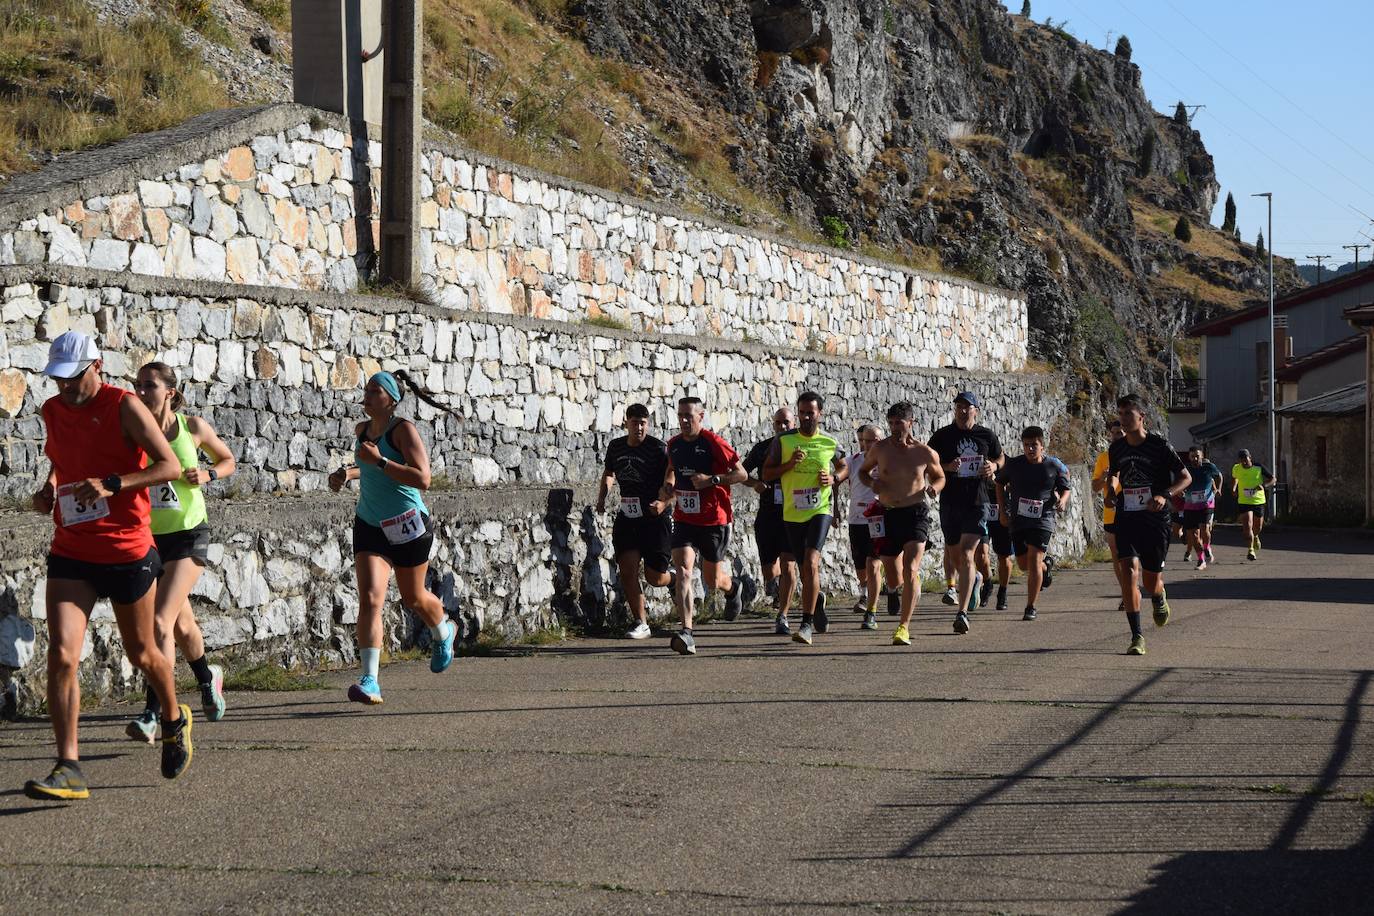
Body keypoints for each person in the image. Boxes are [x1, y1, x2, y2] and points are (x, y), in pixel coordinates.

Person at [25, 331, 192, 800]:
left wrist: (114, 484)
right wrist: (49, 486)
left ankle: (174, 719)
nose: (65, 388)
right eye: (57, 380)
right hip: (72, 547)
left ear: (96, 365)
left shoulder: (125, 406)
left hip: (126, 550)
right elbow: (62, 461)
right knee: (61, 655)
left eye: (73, 378)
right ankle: (68, 766)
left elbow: (169, 467)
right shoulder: (53, 410)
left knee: (143, 655)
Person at [328, 371, 458, 704]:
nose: (367, 395)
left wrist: (381, 460)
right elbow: (368, 466)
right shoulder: (362, 431)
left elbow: (423, 478)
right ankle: (370, 679)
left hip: (407, 523)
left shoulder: (403, 430)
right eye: (366, 389)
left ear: (391, 399)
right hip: (370, 523)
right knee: (371, 599)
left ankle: (443, 629)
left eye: (375, 391)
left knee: (413, 597)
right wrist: (348, 472)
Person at [125, 362, 237, 744]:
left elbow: (228, 460)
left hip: (190, 535)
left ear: (170, 391)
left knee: (159, 622)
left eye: (149, 386)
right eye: (137, 385)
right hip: (150, 540)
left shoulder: (192, 428)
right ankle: (208, 678)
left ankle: (153, 714)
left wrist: (208, 475)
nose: (141, 392)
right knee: (182, 627)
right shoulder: (135, 430)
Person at [660, 397, 747, 655]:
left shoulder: (713, 443)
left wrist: (713, 480)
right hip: (685, 518)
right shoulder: (674, 445)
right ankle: (687, 632)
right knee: (683, 571)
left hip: (714, 520)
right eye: (680, 416)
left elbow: (741, 474)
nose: (685, 421)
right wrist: (668, 484)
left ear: (701, 416)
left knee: (712, 579)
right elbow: (671, 470)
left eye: (689, 416)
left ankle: (734, 588)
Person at [1106, 394, 1190, 656]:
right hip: (1127, 516)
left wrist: (1164, 495)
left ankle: (1158, 596)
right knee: (1129, 571)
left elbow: (1185, 477)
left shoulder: (1159, 446)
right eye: (1120, 414)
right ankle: (1136, 636)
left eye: (1128, 413)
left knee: (1152, 581)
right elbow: (1114, 473)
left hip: (1155, 519)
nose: (1123, 419)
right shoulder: (1117, 448)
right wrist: (1110, 490)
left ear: (1142, 417)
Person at [764, 392, 848, 646]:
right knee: (804, 570)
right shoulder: (784, 441)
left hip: (820, 509)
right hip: (792, 513)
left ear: (820, 413)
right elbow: (766, 473)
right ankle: (816, 598)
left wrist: (834, 478)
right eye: (802, 412)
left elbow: (845, 467)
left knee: (812, 561)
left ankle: (806, 624)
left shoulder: (829, 442)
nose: (806, 417)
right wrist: (789, 465)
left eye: (811, 412)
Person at [860, 402, 946, 647]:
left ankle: (903, 626)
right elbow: (864, 472)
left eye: (899, 422)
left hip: (916, 513)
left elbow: (940, 476)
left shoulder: (924, 452)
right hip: (888, 514)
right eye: (891, 423)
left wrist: (934, 488)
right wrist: (872, 484)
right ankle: (896, 590)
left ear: (911, 423)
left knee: (910, 569)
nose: (895, 428)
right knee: (895, 576)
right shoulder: (880, 448)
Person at [928, 391, 1003, 635]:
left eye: (967, 407)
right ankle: (976, 581)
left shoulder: (986, 435)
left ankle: (962, 612)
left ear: (976, 410)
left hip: (977, 501)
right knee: (956, 554)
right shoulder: (942, 436)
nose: (962, 411)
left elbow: (1001, 458)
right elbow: (927, 463)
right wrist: (947, 467)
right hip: (950, 501)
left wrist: (994, 466)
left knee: (969, 554)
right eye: (958, 406)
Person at [596, 403, 673, 640]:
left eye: (643, 423)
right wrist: (602, 497)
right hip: (628, 517)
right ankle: (641, 622)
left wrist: (663, 503)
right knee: (628, 570)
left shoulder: (658, 448)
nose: (639, 427)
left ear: (648, 424)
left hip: (653, 517)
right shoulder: (616, 446)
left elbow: (672, 476)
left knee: (654, 578)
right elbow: (610, 472)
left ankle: (675, 578)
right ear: (626, 423)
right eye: (635, 422)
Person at [996, 427, 1072, 621]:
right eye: (1027, 445)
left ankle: (1031, 606)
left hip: (1043, 520)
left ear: (1042, 446)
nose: (1030, 449)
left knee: (1034, 560)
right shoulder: (1014, 465)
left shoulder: (1054, 465)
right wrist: (1002, 509)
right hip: (1018, 520)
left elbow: (1066, 487)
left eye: (1034, 445)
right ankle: (1046, 567)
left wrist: (1062, 500)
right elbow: (999, 483)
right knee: (1023, 565)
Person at [742, 408, 796, 633]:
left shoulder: (801, 447)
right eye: (778, 423)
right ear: (773, 425)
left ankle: (783, 612)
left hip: (794, 513)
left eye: (786, 423)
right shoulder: (763, 448)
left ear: (793, 423)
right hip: (768, 513)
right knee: (769, 570)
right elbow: (741, 471)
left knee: (788, 563)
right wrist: (755, 483)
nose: (782, 427)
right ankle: (777, 588)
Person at [845, 424, 893, 629]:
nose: (867, 444)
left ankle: (871, 611)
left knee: (874, 564)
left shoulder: (889, 461)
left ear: (881, 441)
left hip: (878, 520)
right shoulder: (853, 461)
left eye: (873, 440)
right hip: (856, 519)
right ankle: (867, 592)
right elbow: (838, 478)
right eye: (864, 440)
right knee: (860, 566)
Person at [1092, 418, 1128, 611]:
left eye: (1120, 433)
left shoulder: (1133, 455)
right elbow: (1095, 486)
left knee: (1130, 556)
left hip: (1132, 512)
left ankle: (1131, 590)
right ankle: (1126, 593)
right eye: (1114, 433)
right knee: (1116, 556)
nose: (1116, 436)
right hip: (1111, 513)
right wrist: (1105, 477)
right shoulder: (1104, 458)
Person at [1182, 445, 1222, 570]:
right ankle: (1201, 559)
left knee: (1204, 529)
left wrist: (1219, 489)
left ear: (1202, 456)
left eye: (1197, 456)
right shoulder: (1186, 469)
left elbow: (1219, 475)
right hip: (1190, 505)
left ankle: (1207, 547)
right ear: (1189, 457)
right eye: (1192, 456)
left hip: (1207, 503)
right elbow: (1179, 481)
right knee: (1193, 535)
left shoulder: (1209, 467)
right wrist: (1180, 491)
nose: (1195, 459)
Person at [1231, 449, 1275, 561]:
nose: (1244, 462)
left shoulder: (1258, 467)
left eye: (1245, 459)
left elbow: (1273, 479)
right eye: (1241, 460)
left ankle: (1255, 536)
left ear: (1250, 457)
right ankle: (1250, 550)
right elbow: (1235, 478)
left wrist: (1264, 485)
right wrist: (1234, 487)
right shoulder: (1236, 468)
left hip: (1258, 501)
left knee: (1258, 527)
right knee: (1247, 526)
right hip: (1244, 501)